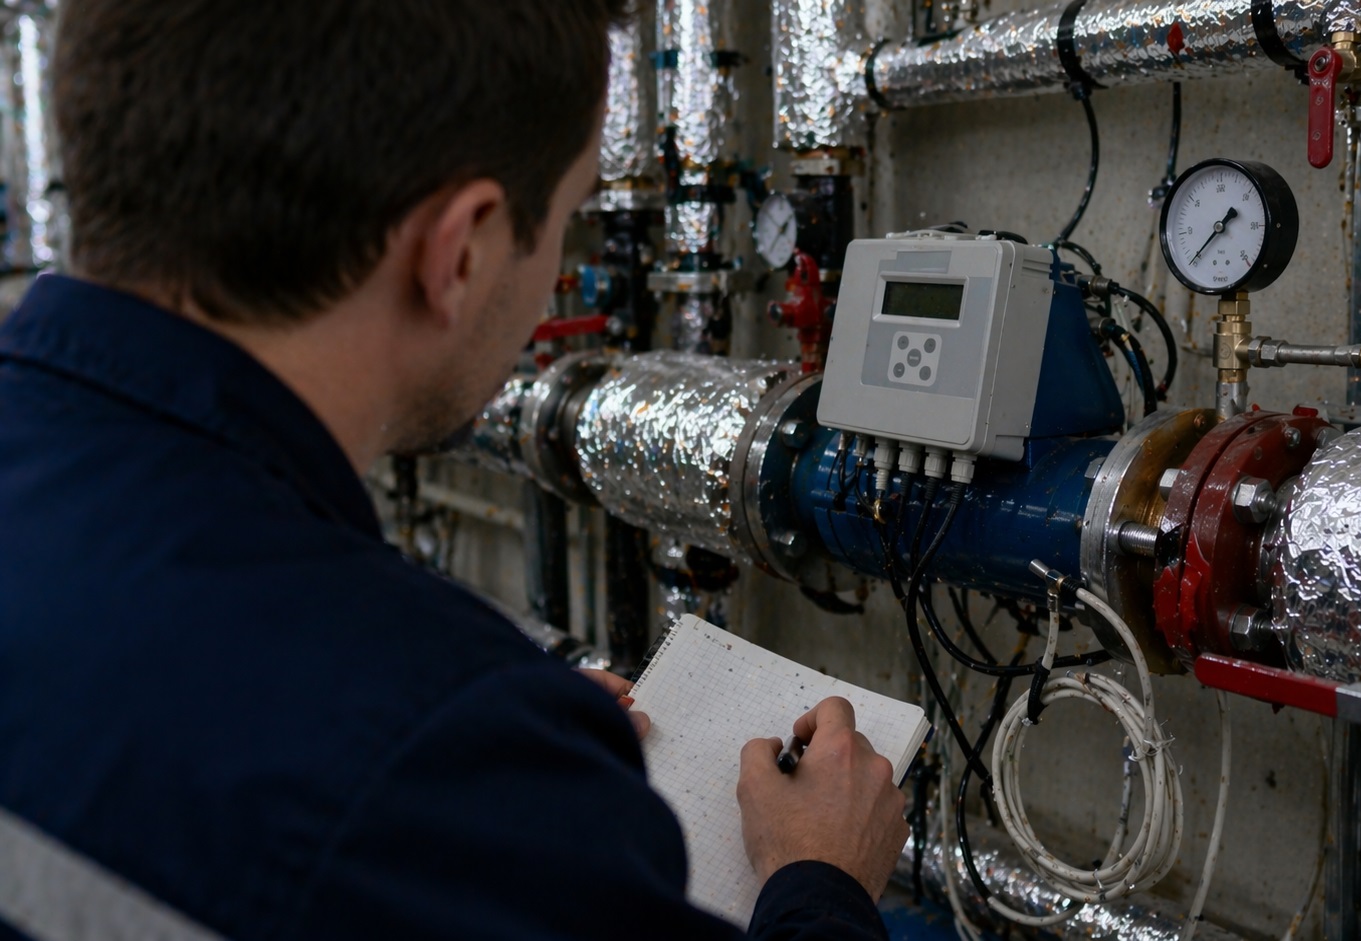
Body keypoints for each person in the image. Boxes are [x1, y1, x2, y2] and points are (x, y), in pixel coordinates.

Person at [0, 2, 908, 939]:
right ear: (460, 249)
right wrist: (821, 878)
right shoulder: (424, 761)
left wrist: (496, 744)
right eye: (567, 215)